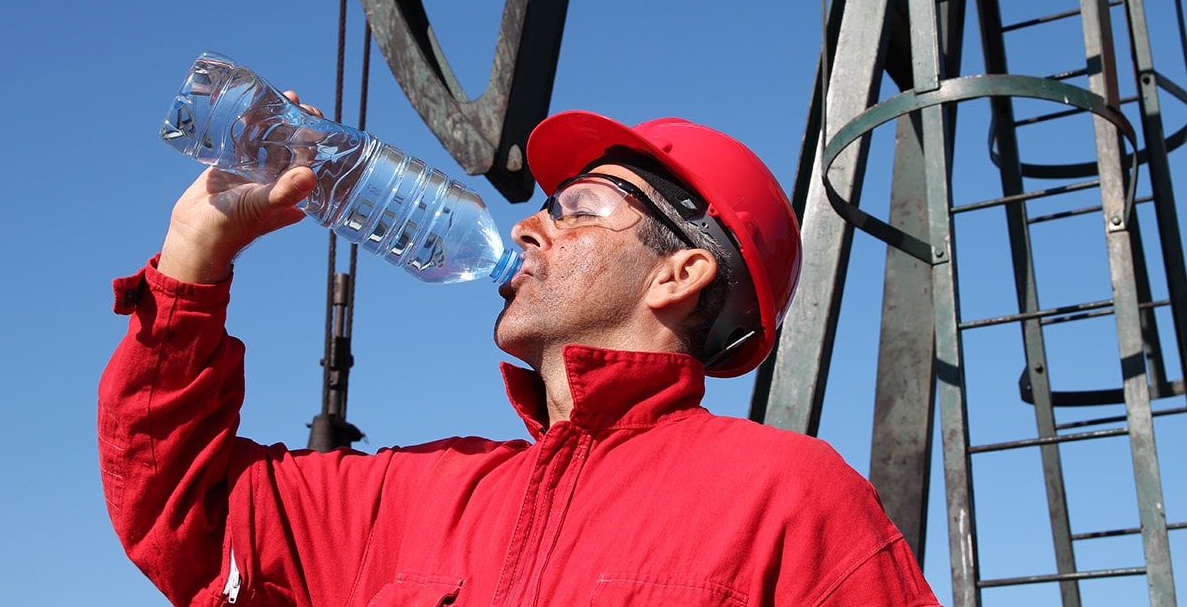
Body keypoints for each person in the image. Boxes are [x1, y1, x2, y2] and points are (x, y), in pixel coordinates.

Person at [99, 105, 940, 606]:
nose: (530, 224)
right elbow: (185, 513)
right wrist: (194, 252)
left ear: (681, 273)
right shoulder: (414, 496)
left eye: (577, 206)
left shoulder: (786, 498)